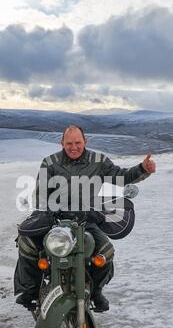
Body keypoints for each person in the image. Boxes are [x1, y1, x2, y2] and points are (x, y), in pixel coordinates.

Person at [14, 125, 156, 311]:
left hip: (87, 220)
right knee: (27, 243)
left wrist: (142, 169)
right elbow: (41, 195)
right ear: (62, 143)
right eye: (69, 143)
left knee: (106, 252)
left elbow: (120, 176)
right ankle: (31, 291)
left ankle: (95, 291)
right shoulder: (49, 162)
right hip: (55, 220)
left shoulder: (98, 160)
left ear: (85, 141)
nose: (74, 147)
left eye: (78, 142)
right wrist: (46, 213)